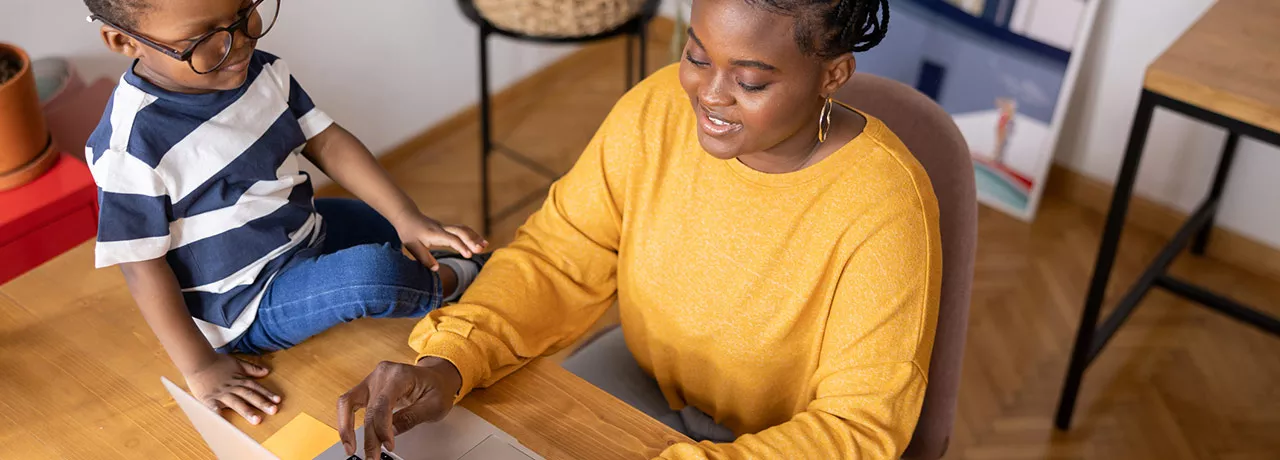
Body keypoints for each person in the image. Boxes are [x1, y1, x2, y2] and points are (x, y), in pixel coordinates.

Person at [341, 0, 941, 458]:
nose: (708, 94)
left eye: (750, 82)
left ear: (833, 76)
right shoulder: (657, 110)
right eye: (697, 55)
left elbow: (857, 425)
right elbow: (558, 257)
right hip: (648, 377)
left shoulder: (886, 207)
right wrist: (448, 362)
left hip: (779, 439)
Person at [82, 0, 490, 426]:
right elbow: (140, 266)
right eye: (203, 39)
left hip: (304, 231)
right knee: (373, 273)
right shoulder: (128, 148)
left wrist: (406, 215)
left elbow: (326, 142)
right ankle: (449, 283)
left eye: (243, 13)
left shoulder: (258, 69)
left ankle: (433, 260)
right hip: (247, 303)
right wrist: (201, 366)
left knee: (389, 222)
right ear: (123, 40)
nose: (238, 43)